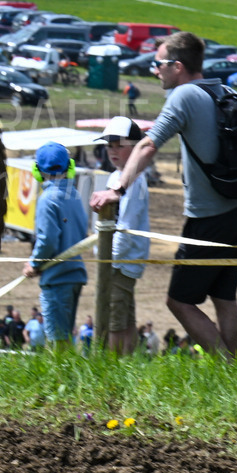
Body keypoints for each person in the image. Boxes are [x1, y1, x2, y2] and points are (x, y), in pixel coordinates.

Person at [91, 32, 237, 357]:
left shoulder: (183, 96)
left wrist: (118, 188)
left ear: (177, 65)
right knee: (224, 297)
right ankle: (233, 374)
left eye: (158, 64)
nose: (154, 70)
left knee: (178, 301)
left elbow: (148, 144)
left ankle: (228, 368)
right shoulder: (225, 90)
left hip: (208, 218)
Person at [90, 116, 150, 355]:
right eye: (109, 145)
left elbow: (125, 225)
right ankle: (127, 364)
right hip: (119, 259)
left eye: (119, 145)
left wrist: (108, 261)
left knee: (115, 318)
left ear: (135, 148)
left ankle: (111, 368)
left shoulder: (132, 180)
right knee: (124, 316)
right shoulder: (117, 177)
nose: (113, 151)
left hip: (120, 262)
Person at [22, 142, 89, 343]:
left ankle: (62, 376)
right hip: (75, 274)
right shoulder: (75, 195)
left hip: (57, 278)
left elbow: (47, 240)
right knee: (66, 340)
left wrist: (34, 264)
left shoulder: (47, 199)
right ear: (70, 167)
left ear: (37, 171)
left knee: (58, 344)